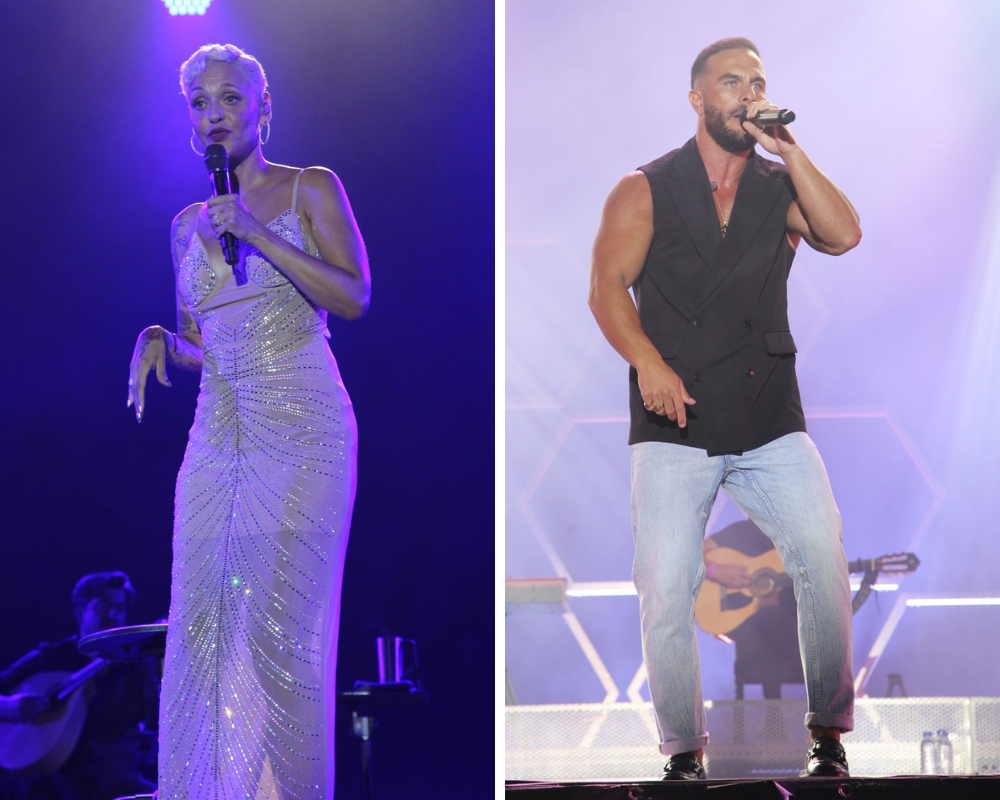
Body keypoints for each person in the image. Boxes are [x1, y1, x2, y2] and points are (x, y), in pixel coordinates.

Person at [588, 37, 860, 779]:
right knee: (666, 584)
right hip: (674, 416)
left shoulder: (780, 185)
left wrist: (790, 149)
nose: (748, 92)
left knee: (822, 555)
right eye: (732, 81)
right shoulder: (645, 187)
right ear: (698, 98)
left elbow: (844, 234)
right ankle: (683, 750)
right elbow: (606, 288)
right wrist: (648, 362)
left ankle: (829, 733)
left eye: (758, 82)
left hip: (766, 410)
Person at [126, 43, 369, 799]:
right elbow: (204, 342)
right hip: (216, 439)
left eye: (231, 99)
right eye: (200, 104)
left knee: (277, 630)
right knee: (203, 625)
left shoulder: (309, 187)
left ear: (263, 107)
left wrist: (259, 233)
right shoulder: (184, 226)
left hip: (302, 428)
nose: (215, 116)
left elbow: (354, 297)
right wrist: (163, 340)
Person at [0, 572, 158, 800]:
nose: (113, 614)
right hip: (58, 785)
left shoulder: (137, 666)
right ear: (80, 612)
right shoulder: (51, 658)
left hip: (122, 784)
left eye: (120, 608)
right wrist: (9, 707)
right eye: (103, 605)